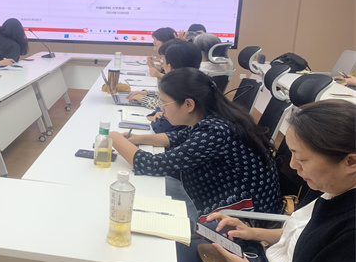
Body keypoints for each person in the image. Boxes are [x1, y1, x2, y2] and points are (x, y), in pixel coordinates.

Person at [136, 99, 355, 262]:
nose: (293, 165)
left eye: (303, 159)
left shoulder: (349, 235)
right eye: (293, 154)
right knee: (179, 249)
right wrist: (252, 233)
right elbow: (304, 233)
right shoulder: (333, 186)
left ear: (351, 162)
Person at [110, 68, 280, 218]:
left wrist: (112, 136)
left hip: (239, 217)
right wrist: (138, 138)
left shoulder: (215, 132)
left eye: (164, 102)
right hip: (228, 201)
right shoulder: (212, 118)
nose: (161, 108)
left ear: (188, 104)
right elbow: (177, 137)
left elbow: (152, 164)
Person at [128, 41, 202, 134]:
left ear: (170, 67)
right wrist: (147, 93)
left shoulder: (180, 87)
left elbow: (162, 126)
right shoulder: (198, 81)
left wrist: (155, 116)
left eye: (163, 60)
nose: (162, 65)